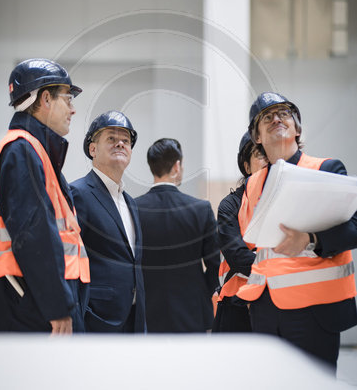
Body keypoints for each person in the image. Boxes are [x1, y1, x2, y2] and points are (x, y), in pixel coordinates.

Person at [235, 92, 357, 369]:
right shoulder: (253, 184)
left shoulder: (325, 169)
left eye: (284, 113)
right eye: (266, 117)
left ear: (298, 128)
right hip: (265, 309)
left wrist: (311, 240)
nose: (276, 118)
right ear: (257, 137)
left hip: (315, 309)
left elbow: (354, 227)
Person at [0, 59, 90, 333]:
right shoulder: (22, 151)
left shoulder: (34, 152)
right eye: (67, 99)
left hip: (34, 298)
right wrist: (57, 307)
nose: (73, 109)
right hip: (31, 304)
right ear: (45, 99)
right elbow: (34, 234)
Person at [70, 110, 146, 333]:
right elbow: (70, 258)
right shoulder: (77, 193)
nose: (120, 144)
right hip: (96, 317)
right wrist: (78, 313)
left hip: (134, 317)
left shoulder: (130, 202)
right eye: (111, 139)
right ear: (93, 149)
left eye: (126, 141)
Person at [135, 138, 220, 333]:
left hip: (147, 312)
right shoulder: (200, 209)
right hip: (193, 311)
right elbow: (215, 264)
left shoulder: (133, 208)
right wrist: (200, 292)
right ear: (177, 166)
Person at [213, 132, 266, 332]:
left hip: (279, 303)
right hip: (237, 304)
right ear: (246, 166)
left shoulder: (285, 199)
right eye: (260, 154)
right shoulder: (231, 205)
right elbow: (237, 256)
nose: (268, 160)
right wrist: (277, 266)